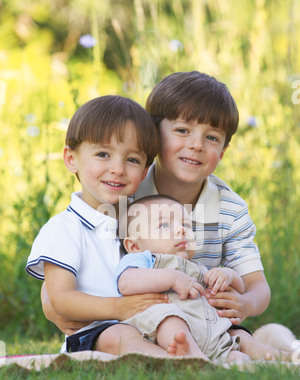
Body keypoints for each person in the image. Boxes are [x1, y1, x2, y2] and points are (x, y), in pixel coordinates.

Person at [41, 72, 295, 355]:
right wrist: (54, 304)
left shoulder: (229, 209)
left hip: (208, 319)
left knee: (261, 335)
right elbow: (79, 262)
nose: (197, 145)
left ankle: (288, 352)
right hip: (148, 323)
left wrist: (246, 304)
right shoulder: (124, 197)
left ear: (223, 151)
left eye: (211, 137)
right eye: (182, 130)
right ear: (153, 136)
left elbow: (257, 285)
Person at [26, 95, 176, 356]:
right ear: (71, 159)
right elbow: (61, 298)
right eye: (103, 154)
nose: (117, 169)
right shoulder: (64, 228)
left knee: (176, 327)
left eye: (132, 160)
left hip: (149, 324)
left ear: (144, 172)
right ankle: (176, 363)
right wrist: (120, 309)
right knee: (120, 335)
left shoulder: (145, 221)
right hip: (94, 334)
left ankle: (192, 354)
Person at [114, 194, 291, 363]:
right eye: (164, 226)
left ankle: (280, 358)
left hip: (211, 335)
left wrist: (228, 275)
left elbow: (240, 289)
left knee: (239, 338)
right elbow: (126, 283)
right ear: (135, 245)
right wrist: (172, 278)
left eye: (186, 225)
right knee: (170, 320)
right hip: (166, 330)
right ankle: (196, 359)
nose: (180, 230)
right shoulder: (144, 259)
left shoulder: (196, 267)